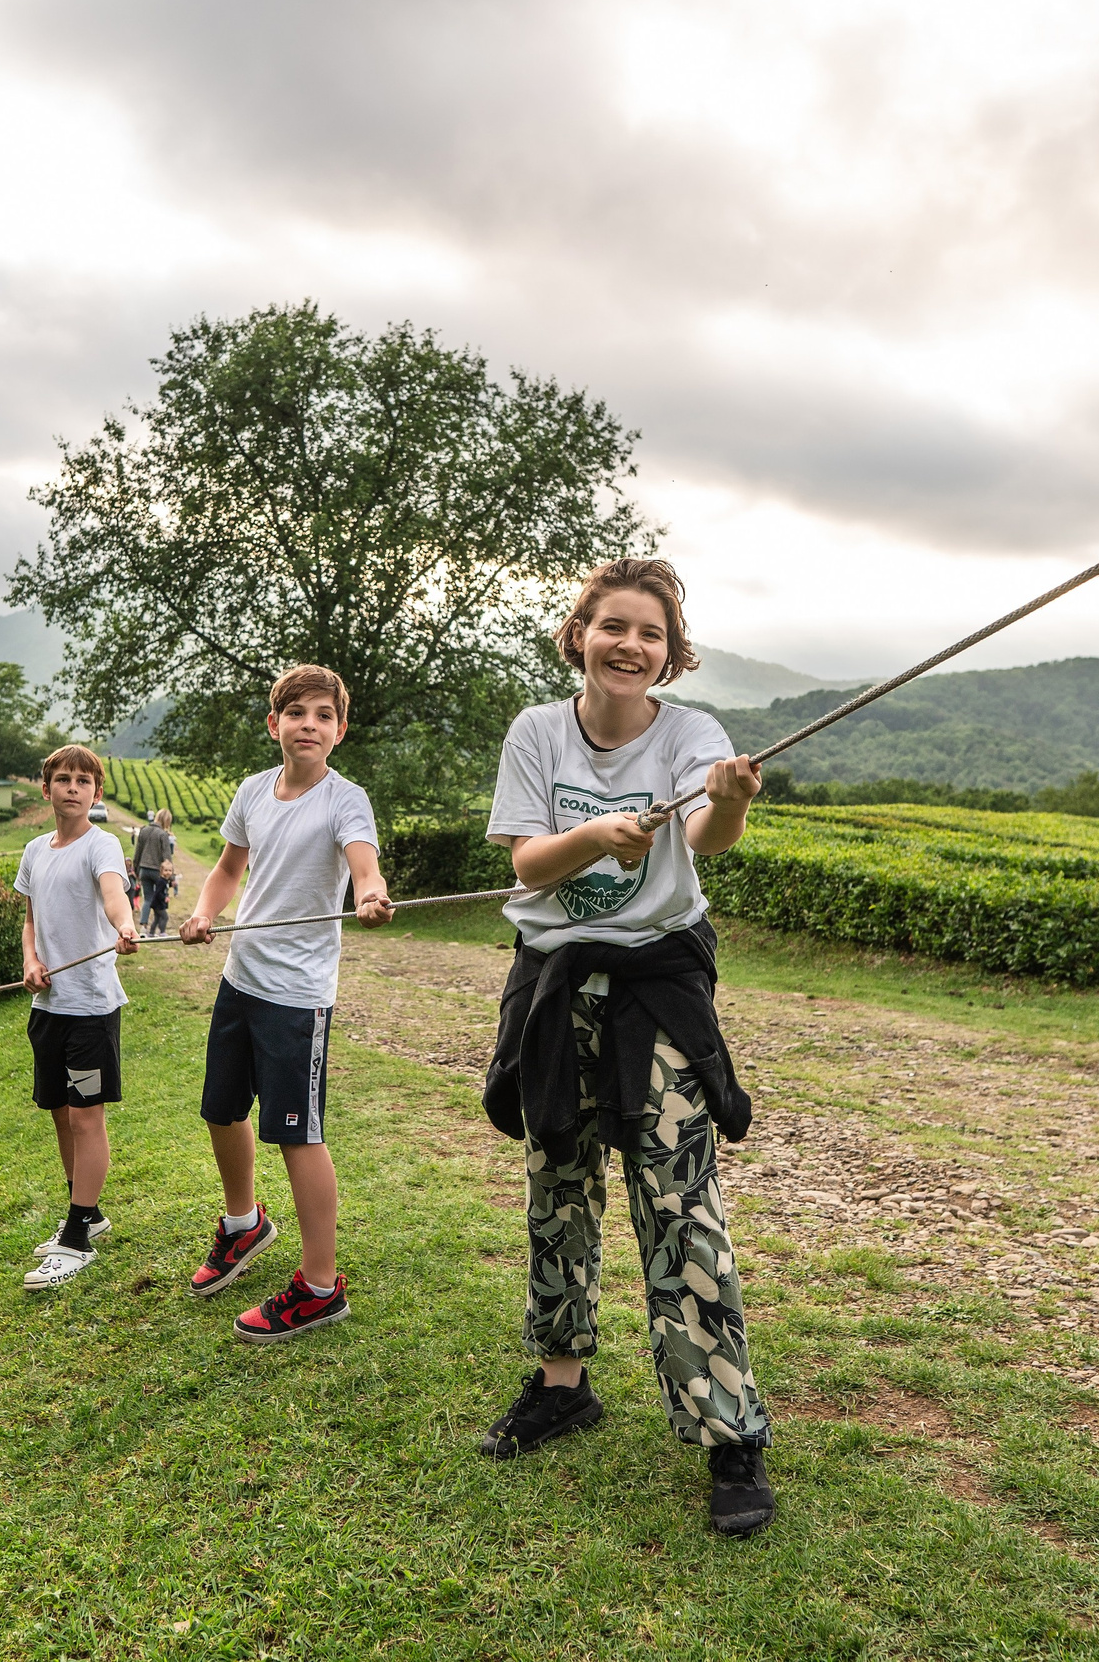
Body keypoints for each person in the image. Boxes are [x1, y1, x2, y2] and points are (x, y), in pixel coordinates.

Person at [475, 556, 776, 1538]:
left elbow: (710, 832)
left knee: (678, 1197)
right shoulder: (536, 731)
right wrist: (595, 836)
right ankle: (562, 1383)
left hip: (658, 985)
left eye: (650, 633)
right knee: (556, 1182)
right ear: (580, 633)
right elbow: (525, 861)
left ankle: (728, 1428)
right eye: (613, 626)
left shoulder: (693, 735)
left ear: (671, 653)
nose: (630, 646)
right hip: (556, 982)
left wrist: (727, 797)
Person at [180, 664, 393, 1341]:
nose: (310, 724)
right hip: (239, 977)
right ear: (274, 725)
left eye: (324, 715)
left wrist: (368, 893)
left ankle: (321, 1285)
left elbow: (364, 863)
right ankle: (245, 1227)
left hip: (297, 999)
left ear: (340, 729)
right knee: (220, 1110)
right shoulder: (252, 790)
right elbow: (227, 868)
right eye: (297, 712)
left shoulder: (345, 800)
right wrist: (203, 911)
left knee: (298, 1133)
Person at [16, 744, 140, 1289]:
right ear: (46, 790)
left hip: (91, 1007)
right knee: (61, 1114)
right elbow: (31, 918)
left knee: (87, 1117)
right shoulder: (34, 851)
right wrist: (31, 959)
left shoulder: (103, 844)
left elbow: (114, 894)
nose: (72, 787)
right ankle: (86, 1209)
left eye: (83, 780)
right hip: (50, 1008)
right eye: (62, 779)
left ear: (96, 792)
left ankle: (75, 1237)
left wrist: (125, 926)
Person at [135, 808, 178, 933]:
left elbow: (137, 852)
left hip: (143, 869)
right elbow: (167, 857)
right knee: (159, 899)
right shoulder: (162, 835)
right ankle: (159, 928)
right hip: (157, 871)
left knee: (148, 899)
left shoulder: (144, 830)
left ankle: (143, 927)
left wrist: (137, 870)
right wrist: (171, 877)